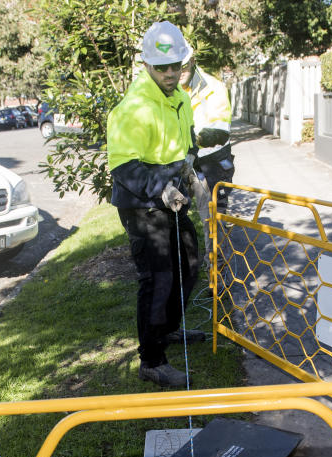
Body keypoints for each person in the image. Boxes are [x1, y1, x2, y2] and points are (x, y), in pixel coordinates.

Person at [107, 21, 206, 389]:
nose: (169, 73)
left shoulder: (178, 98)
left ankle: (166, 331)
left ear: (184, 62)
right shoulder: (133, 107)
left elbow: (186, 143)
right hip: (141, 205)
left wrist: (192, 176)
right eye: (161, 67)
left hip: (172, 199)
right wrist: (160, 188)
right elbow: (122, 165)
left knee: (190, 263)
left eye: (175, 66)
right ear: (147, 65)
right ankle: (151, 360)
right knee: (158, 278)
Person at [179, 55, 234, 212]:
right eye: (177, 66)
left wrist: (197, 144)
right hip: (183, 162)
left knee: (212, 219)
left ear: (192, 61)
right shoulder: (173, 90)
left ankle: (217, 235)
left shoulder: (213, 88)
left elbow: (220, 127)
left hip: (210, 163)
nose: (180, 72)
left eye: (184, 66)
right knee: (175, 215)